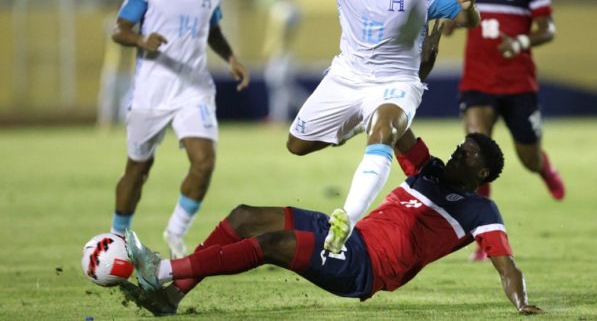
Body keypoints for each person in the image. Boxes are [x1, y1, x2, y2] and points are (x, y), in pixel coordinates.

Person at [192, 0, 480, 254]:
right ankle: (364, 120)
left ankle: (346, 219)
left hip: (396, 82)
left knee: (384, 130)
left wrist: (469, 7)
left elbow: (465, 19)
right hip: (347, 76)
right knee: (297, 144)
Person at [120, 132, 543, 316]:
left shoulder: (480, 212)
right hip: (346, 233)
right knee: (243, 216)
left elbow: (507, 266)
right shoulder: (426, 170)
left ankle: (160, 271)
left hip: (364, 266)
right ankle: (173, 296)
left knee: (271, 243)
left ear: (482, 173)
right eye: (459, 147)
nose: (455, 154)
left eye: (465, 155)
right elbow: (399, 125)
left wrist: (521, 303)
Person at [109, 0, 250, 259]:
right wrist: (143, 39)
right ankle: (116, 238)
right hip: (152, 91)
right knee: (138, 170)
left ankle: (176, 232)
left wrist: (231, 58)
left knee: (204, 161)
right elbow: (119, 29)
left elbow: (212, 30)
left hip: (194, 88)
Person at [444, 0, 566, 261]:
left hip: (518, 84)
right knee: (475, 149)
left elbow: (548, 28)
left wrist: (521, 41)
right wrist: (453, 20)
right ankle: (485, 234)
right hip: (478, 82)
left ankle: (544, 169)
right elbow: (461, 14)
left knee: (527, 157)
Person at [262, 0, 308, 123]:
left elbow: (281, 32)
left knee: (282, 86)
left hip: (282, 53)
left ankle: (282, 116)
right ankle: (277, 116)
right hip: (282, 52)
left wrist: (273, 49)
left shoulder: (285, 9)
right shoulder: (292, 9)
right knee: (280, 86)